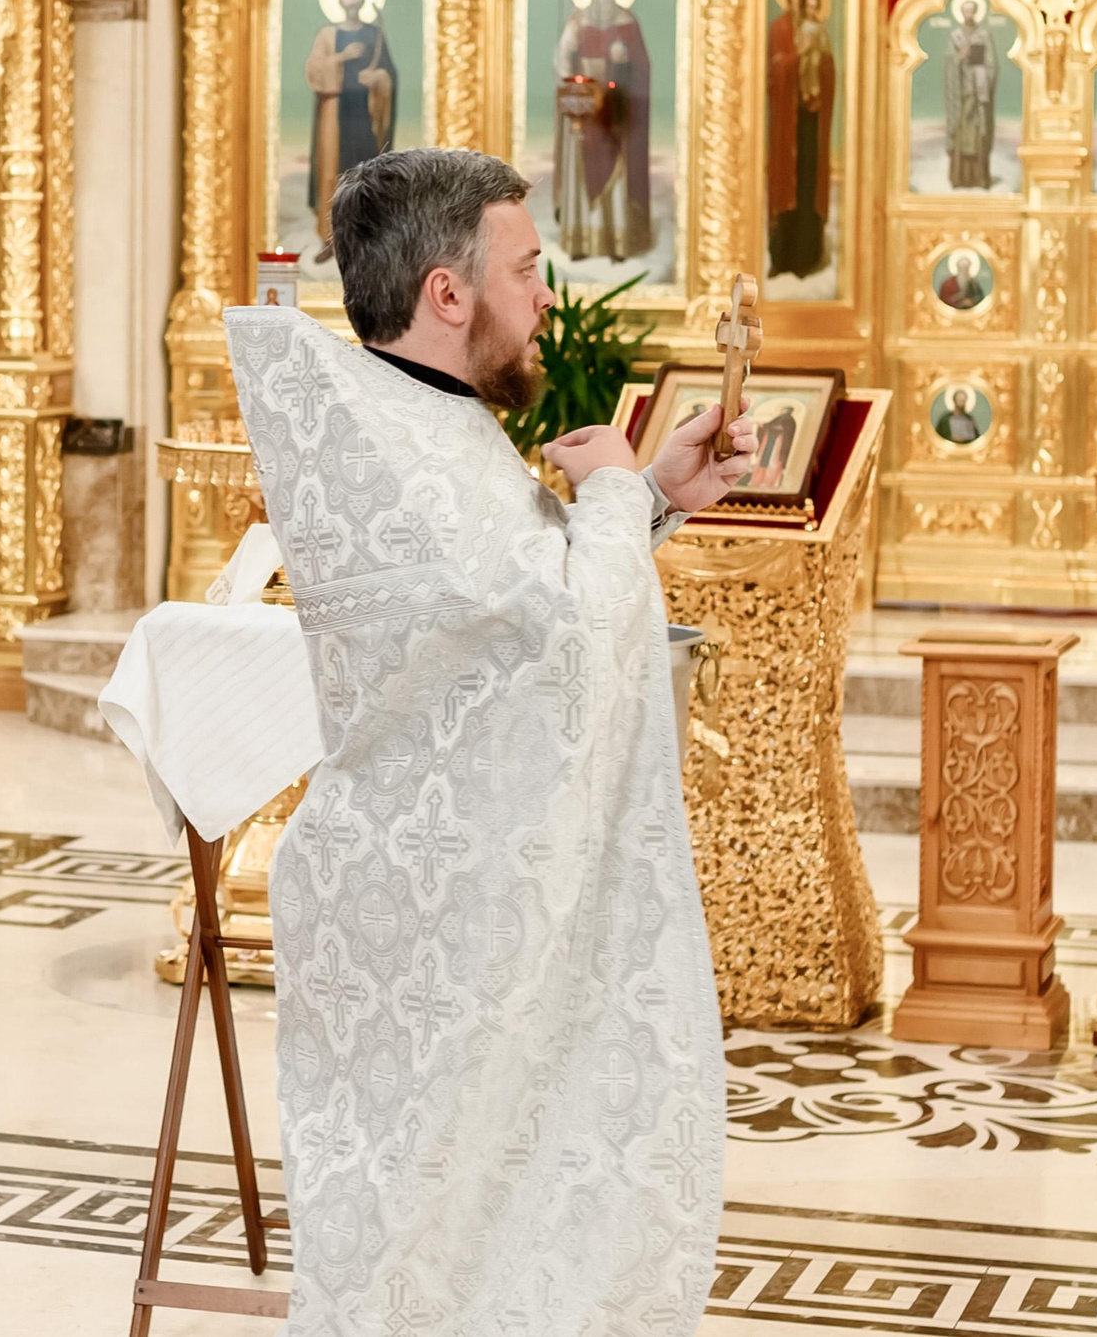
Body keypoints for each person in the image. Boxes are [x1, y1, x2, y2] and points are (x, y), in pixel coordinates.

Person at [224, 146, 754, 1337]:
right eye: (526, 269)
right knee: (426, 1243)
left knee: (481, 1232)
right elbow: (564, 646)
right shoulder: (406, 449)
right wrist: (615, 492)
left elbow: (518, 607)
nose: (545, 297)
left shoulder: (423, 425)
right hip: (429, 918)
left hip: (454, 903)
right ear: (445, 292)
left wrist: (656, 495)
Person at [551, 0, 652, 258]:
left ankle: (615, 241)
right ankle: (581, 239)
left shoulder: (627, 23)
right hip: (583, 108)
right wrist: (571, 74)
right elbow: (561, 59)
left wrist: (624, 63)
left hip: (614, 111)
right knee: (580, 171)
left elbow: (643, 67)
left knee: (616, 171)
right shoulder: (576, 20)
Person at [305, 0, 397, 258]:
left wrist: (377, 78)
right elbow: (314, 70)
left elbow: (388, 75)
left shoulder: (374, 34)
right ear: (339, 0)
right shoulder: (328, 34)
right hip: (335, 113)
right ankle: (331, 239)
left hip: (364, 117)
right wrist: (342, 58)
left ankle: (366, 239)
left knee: (364, 173)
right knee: (332, 170)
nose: (351, 0)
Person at [767, 0, 835, 276]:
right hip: (785, 121)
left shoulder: (814, 24)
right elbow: (773, 70)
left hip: (809, 116)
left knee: (808, 181)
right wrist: (796, 58)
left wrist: (817, 64)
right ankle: (782, 258)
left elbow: (829, 68)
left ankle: (807, 257)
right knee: (785, 183)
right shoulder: (779, 27)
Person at [946, 0, 1000, 189]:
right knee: (962, 135)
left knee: (978, 136)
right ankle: (960, 178)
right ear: (961, 12)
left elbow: (992, 64)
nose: (968, 13)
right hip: (961, 96)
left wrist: (980, 73)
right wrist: (959, 58)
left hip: (978, 95)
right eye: (965, 10)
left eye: (971, 10)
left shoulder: (984, 36)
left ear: (975, 12)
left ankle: (979, 178)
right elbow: (949, 65)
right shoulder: (955, 37)